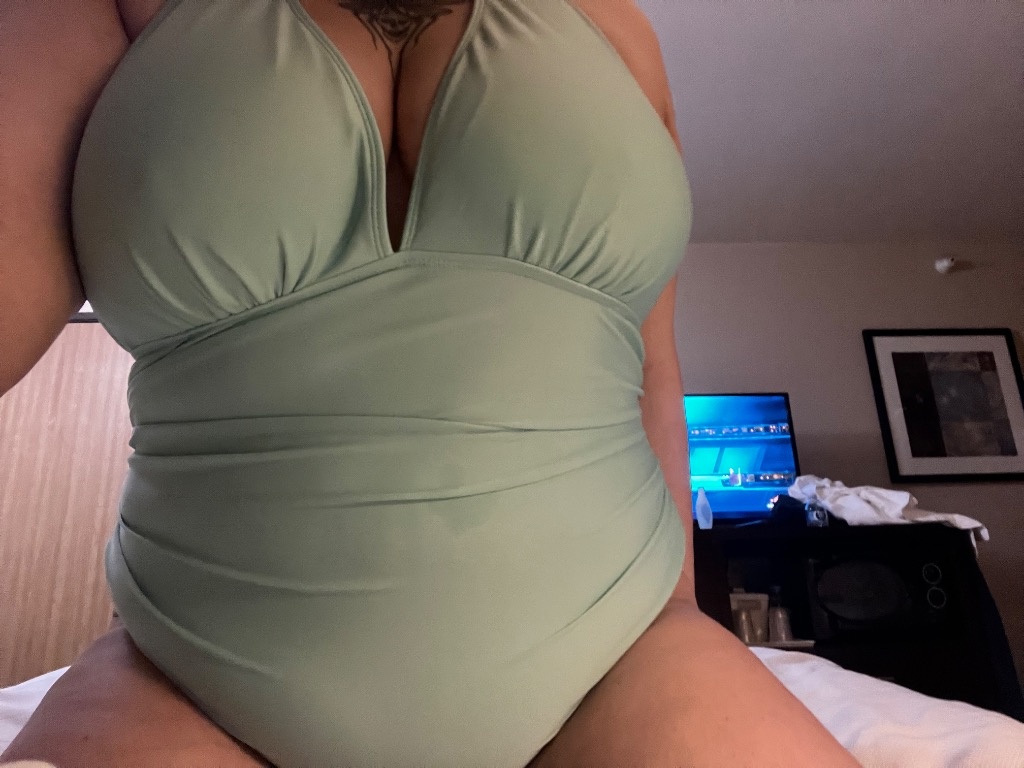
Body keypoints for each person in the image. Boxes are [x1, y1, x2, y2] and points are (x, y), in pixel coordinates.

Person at [0, 1, 860, 765]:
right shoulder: (111, 10)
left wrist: (678, 615)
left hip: (622, 655)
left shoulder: (617, 30)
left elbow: (652, 370)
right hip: (187, 674)